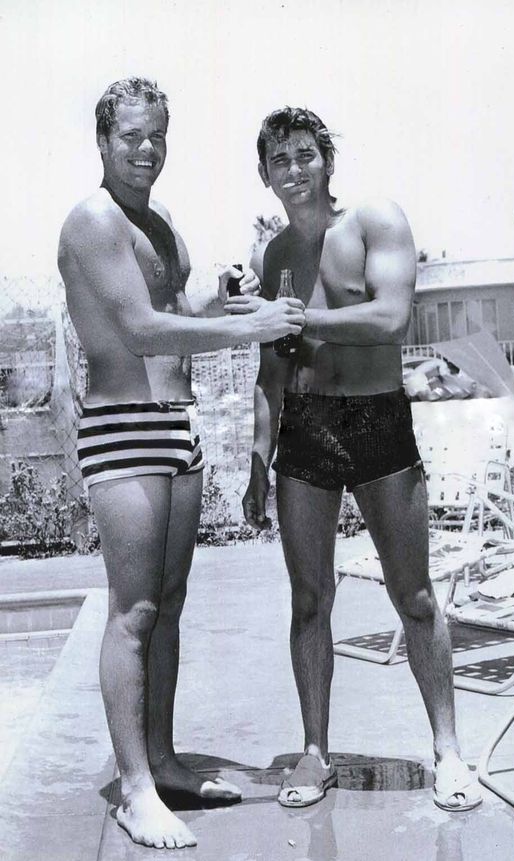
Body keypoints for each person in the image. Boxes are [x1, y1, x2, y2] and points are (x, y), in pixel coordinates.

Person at [57, 78, 305, 850]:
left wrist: (222, 300)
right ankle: (133, 789)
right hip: (124, 428)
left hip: (176, 424)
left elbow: (174, 312)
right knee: (131, 613)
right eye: (131, 136)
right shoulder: (92, 222)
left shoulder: (159, 218)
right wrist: (250, 328)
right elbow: (135, 331)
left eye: (157, 135)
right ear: (102, 140)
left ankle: (160, 759)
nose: (146, 149)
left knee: (167, 600)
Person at [242, 107, 482, 812]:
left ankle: (448, 752)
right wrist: (259, 460)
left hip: (379, 420)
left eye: (304, 154)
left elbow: (388, 316)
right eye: (278, 159)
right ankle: (314, 752)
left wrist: (297, 317)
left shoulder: (374, 220)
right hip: (308, 430)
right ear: (264, 174)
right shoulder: (275, 257)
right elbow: (270, 369)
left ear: (326, 160)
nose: (293, 168)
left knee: (412, 596)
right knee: (310, 599)